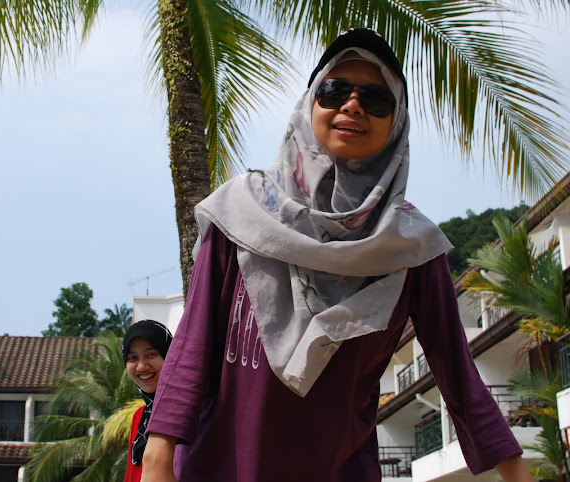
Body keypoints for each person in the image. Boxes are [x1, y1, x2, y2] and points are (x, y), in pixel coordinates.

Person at [140, 28, 534, 481]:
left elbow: (459, 378)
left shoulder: (412, 248)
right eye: (334, 90)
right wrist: (157, 456)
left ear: (397, 122)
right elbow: (193, 344)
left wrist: (517, 473)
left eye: (377, 98)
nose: (353, 105)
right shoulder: (240, 213)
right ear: (311, 103)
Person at [122, 319, 174, 482]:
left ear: (169, 355)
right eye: (132, 358)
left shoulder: (186, 413)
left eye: (151, 354)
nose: (141, 366)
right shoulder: (139, 417)